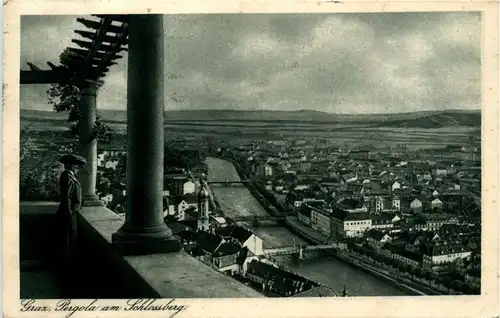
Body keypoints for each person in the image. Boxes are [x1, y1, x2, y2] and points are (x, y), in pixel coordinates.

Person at [55, 154, 86, 275]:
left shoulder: (69, 176)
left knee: (68, 238)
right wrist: (69, 212)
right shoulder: (67, 177)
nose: (77, 167)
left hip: (69, 212)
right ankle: (65, 265)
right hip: (68, 213)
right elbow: (67, 197)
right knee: (67, 238)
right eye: (76, 165)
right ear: (69, 165)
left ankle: (66, 263)